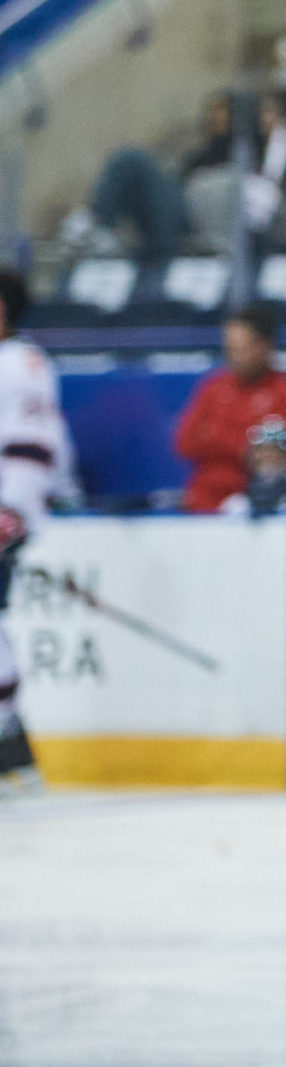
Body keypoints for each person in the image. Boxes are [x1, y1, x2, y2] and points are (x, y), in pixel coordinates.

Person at [0, 269, 73, 792]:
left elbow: (33, 448)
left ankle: (9, 748)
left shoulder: (20, 364)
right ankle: (14, 752)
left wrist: (10, 511)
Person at [173, 306, 286, 515]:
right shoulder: (213, 387)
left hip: (254, 499)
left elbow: (271, 456)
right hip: (202, 498)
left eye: (241, 349)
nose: (234, 357)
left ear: (265, 346)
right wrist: (244, 442)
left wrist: (214, 437)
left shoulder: (284, 390)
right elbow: (185, 442)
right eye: (230, 349)